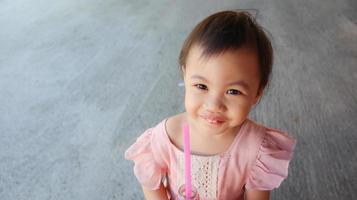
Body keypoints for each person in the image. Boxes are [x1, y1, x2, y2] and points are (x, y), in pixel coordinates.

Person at [125, 10, 296, 200]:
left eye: (233, 91)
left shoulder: (256, 148)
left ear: (256, 94)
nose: (214, 105)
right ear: (185, 75)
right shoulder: (166, 137)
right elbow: (151, 184)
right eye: (201, 86)